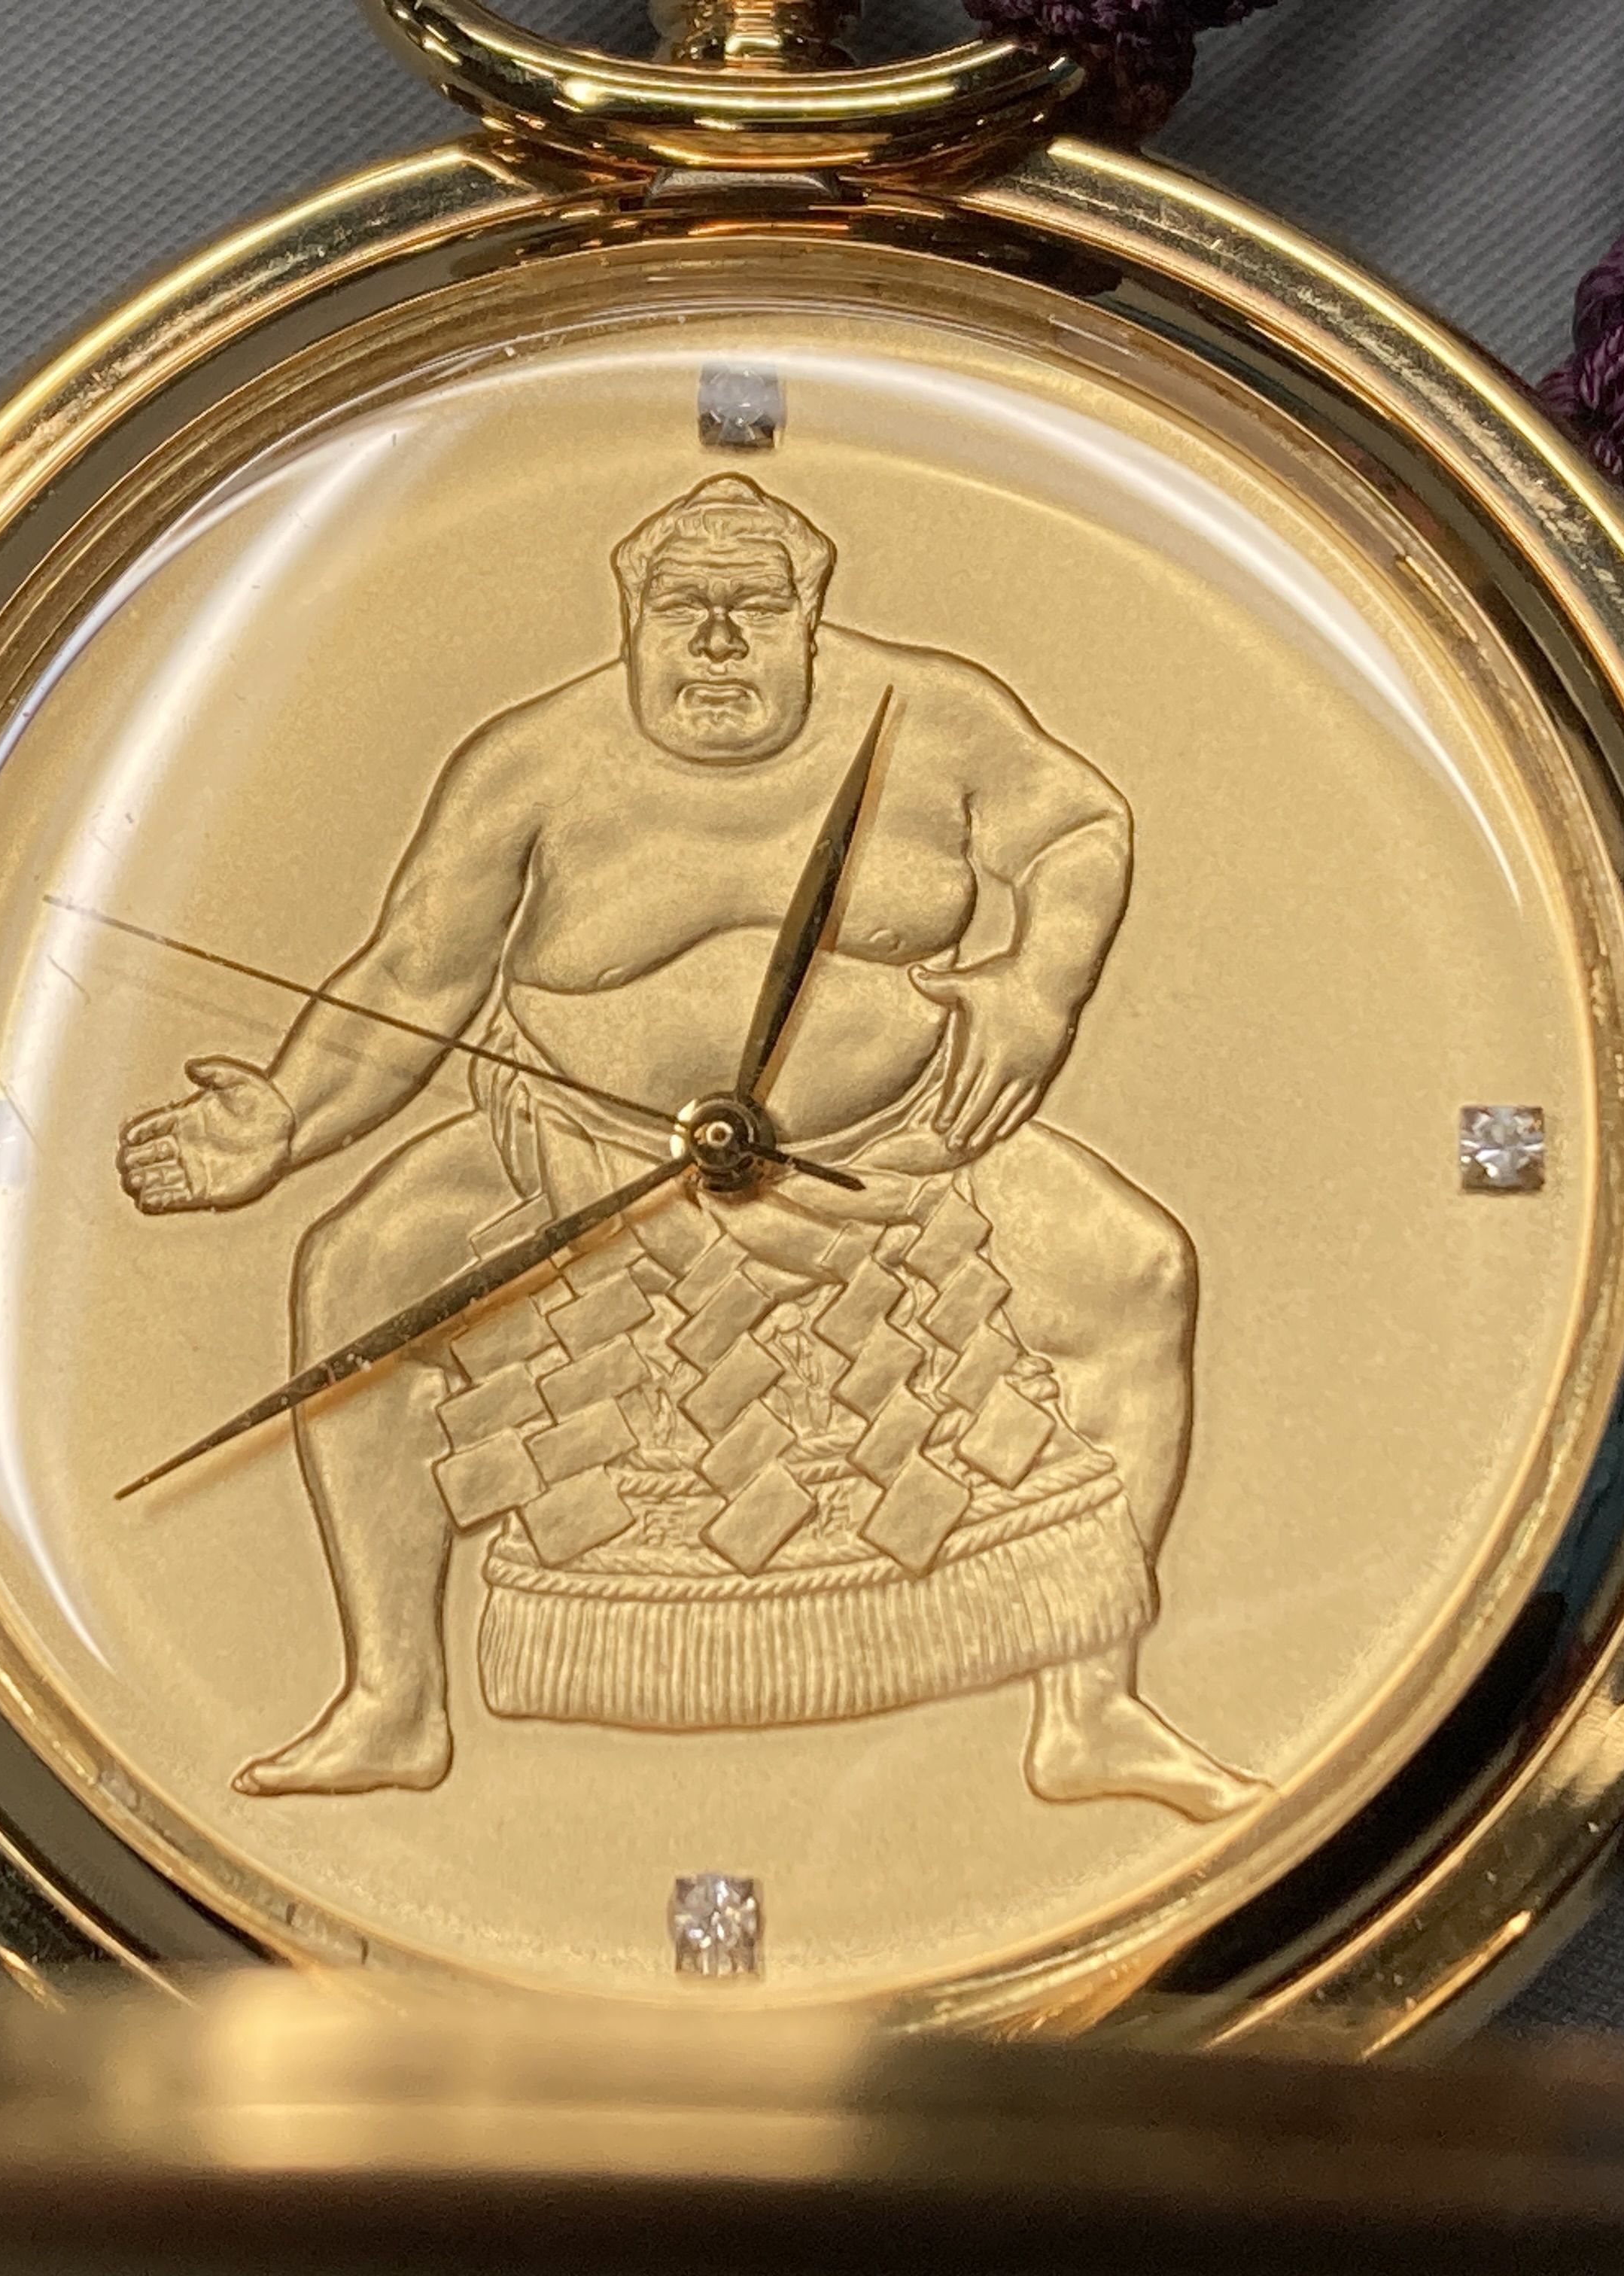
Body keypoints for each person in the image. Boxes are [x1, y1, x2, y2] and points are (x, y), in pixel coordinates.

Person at [119, 474, 1258, 1819]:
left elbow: (1078, 828)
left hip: (899, 1144)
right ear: (631, 618)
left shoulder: (937, 715)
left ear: (811, 618)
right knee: (357, 1270)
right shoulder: (532, 766)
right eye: (684, 607)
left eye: (754, 607)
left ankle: (1093, 1710)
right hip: (581, 1156)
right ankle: (391, 1701)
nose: (718, 642)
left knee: (1136, 1273)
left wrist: (1038, 988)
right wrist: (283, 1117)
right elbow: (415, 979)